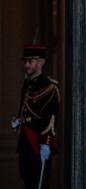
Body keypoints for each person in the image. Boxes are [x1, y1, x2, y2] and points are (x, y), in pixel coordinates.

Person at [11, 45, 60, 189]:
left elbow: (51, 119)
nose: (26, 65)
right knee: (27, 179)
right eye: (25, 61)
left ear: (40, 63)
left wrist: (46, 143)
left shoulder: (50, 87)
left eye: (30, 61)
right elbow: (25, 111)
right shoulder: (27, 84)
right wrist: (19, 121)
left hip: (38, 142)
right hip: (25, 141)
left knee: (39, 182)